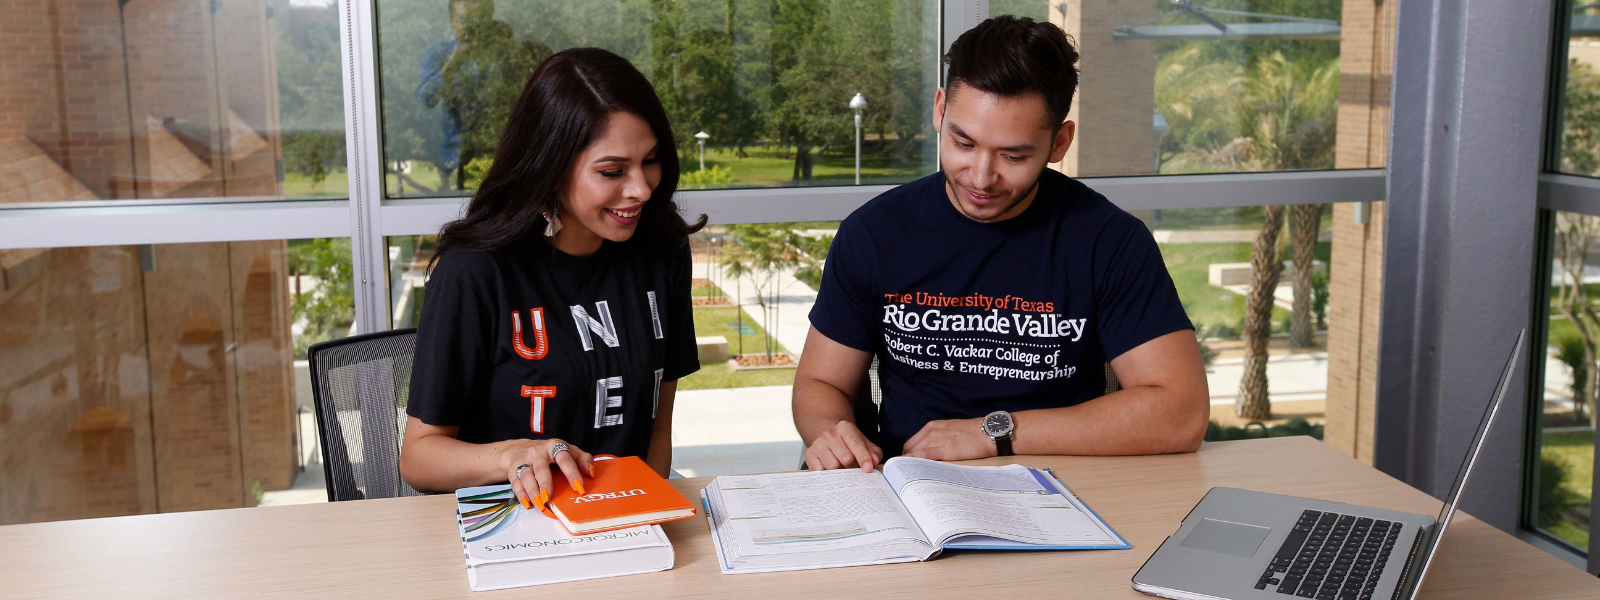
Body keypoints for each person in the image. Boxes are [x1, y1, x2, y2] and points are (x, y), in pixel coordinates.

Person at [793, 16, 1209, 472]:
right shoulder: (874, 233)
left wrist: (994, 432)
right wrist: (831, 433)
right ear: (939, 111)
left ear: (1059, 142)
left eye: (1013, 156)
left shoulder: (1109, 241)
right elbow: (819, 382)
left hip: (1065, 488)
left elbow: (1181, 414)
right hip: (908, 490)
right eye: (963, 143)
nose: (981, 177)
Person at [399, 48, 704, 512]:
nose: (642, 189)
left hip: (627, 519)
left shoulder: (662, 252)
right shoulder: (476, 272)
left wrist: (642, 517)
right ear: (550, 165)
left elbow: (656, 426)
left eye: (652, 160)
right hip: (512, 525)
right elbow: (419, 458)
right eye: (613, 171)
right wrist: (512, 455)